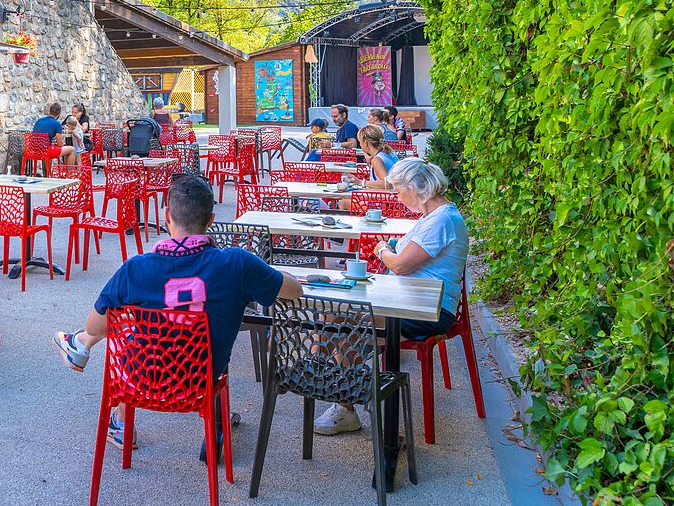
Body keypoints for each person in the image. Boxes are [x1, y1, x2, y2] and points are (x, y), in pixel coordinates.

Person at [54, 175, 303, 451]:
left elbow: (96, 326)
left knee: (129, 320)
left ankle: (120, 420)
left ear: (166, 216)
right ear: (210, 221)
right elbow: (292, 291)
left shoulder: (135, 269)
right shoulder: (237, 264)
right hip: (201, 381)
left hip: (142, 378)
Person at [314, 158, 468, 435]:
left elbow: (400, 265)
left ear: (414, 187)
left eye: (398, 190)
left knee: (344, 323)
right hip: (410, 302)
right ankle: (324, 377)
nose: (396, 196)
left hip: (428, 311)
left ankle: (332, 389)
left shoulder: (441, 220)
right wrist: (393, 246)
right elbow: (410, 254)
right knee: (333, 316)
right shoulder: (436, 216)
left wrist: (383, 249)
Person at [338, 125, 399, 212]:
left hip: (383, 205)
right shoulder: (389, 153)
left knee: (344, 203)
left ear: (365, 143)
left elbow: (387, 184)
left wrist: (360, 182)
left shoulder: (377, 159)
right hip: (395, 202)